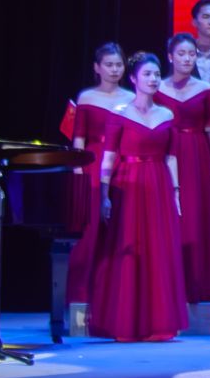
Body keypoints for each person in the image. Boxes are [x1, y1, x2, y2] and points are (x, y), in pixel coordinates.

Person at [92, 55, 186, 342]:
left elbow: (171, 158)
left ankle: (157, 322)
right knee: (130, 250)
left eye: (157, 74)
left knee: (158, 250)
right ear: (133, 78)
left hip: (158, 185)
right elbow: (108, 158)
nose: (153, 79)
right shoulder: (119, 113)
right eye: (147, 74)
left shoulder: (167, 115)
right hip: (129, 186)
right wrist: (104, 195)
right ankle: (126, 321)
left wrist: (176, 192)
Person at [62, 42, 132, 310]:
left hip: (122, 166)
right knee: (89, 236)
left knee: (120, 233)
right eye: (109, 65)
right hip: (92, 166)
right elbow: (78, 139)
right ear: (97, 67)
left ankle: (115, 303)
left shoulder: (131, 97)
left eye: (119, 65)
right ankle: (80, 304)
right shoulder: (87, 97)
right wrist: (78, 172)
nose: (115, 70)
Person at [157, 32, 210, 303]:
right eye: (181, 54)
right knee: (171, 215)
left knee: (196, 214)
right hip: (166, 154)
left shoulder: (205, 89)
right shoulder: (157, 88)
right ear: (170, 57)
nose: (187, 59)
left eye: (192, 54)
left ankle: (199, 282)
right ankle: (169, 284)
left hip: (197, 154)